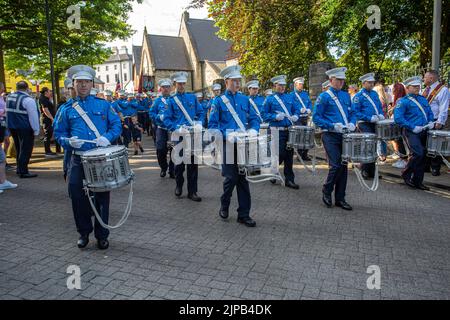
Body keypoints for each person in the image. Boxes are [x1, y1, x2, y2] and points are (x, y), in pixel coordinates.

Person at [54, 65, 121, 249]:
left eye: (86, 81)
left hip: (99, 159)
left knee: (102, 197)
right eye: (79, 82)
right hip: (77, 158)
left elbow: (116, 125)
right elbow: (58, 133)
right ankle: (83, 232)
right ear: (73, 84)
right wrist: (68, 142)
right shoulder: (66, 109)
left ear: (92, 83)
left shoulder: (104, 105)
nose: (83, 85)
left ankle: (102, 235)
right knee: (77, 196)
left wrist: (107, 138)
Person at [209, 65, 260, 227]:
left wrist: (253, 130)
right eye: (235, 81)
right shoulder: (218, 102)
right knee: (231, 178)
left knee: (243, 179)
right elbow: (212, 125)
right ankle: (225, 204)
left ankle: (243, 214)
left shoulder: (245, 99)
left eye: (239, 81)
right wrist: (226, 135)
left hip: (243, 144)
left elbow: (254, 119)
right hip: (228, 144)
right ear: (226, 81)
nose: (238, 84)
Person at [313, 67, 356, 210]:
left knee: (343, 166)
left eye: (343, 80)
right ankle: (327, 189)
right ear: (331, 80)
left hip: (344, 135)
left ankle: (340, 198)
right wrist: (331, 125)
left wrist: (352, 123)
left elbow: (352, 113)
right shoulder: (324, 97)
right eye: (338, 80)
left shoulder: (345, 96)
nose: (341, 82)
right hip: (330, 135)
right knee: (335, 165)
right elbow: (316, 118)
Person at [163, 72, 204, 202]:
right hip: (179, 135)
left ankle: (192, 192)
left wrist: (199, 123)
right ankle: (179, 185)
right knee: (179, 164)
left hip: (193, 135)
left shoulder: (192, 98)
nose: (181, 86)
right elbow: (166, 119)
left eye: (183, 83)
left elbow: (201, 112)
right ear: (175, 84)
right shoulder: (171, 101)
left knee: (193, 164)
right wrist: (176, 128)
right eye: (179, 83)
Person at [394, 76, 435, 191]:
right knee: (418, 153)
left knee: (423, 155)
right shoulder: (403, 101)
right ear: (407, 88)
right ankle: (406, 173)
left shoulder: (422, 99)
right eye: (414, 86)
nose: (417, 88)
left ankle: (418, 181)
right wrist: (412, 126)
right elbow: (398, 118)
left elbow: (429, 112)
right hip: (411, 132)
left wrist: (431, 121)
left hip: (424, 130)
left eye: (418, 86)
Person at [263, 75, 300, 189]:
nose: (282, 87)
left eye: (284, 85)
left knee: (289, 155)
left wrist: (295, 116)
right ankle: (273, 171)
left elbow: (296, 109)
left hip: (288, 130)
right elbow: (264, 115)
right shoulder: (269, 99)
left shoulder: (289, 97)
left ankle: (289, 179)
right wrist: (274, 117)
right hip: (275, 130)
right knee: (279, 153)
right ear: (275, 86)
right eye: (280, 85)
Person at [352, 72, 385, 180]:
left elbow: (379, 106)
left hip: (375, 122)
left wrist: (381, 114)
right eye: (369, 82)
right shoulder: (358, 96)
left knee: (374, 146)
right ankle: (365, 169)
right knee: (367, 146)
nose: (371, 84)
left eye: (372, 82)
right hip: (364, 123)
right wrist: (369, 117)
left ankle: (372, 170)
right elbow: (355, 112)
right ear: (363, 83)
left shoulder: (374, 94)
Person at [6, 81, 40, 178]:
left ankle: (19, 168)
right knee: (26, 149)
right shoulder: (28, 100)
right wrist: (36, 130)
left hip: (12, 126)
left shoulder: (9, 97)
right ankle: (23, 171)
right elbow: (33, 117)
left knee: (18, 148)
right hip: (25, 127)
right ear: (27, 88)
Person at [422, 70, 449, 176]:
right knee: (426, 143)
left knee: (435, 144)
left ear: (431, 78)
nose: (423, 79)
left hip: (435, 120)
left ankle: (435, 167)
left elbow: (444, 107)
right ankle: (426, 166)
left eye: (425, 77)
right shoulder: (426, 89)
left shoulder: (443, 90)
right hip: (425, 120)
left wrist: (440, 121)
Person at [149, 78, 175, 178]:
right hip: (161, 128)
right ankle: (164, 167)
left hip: (173, 129)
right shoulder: (157, 101)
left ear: (171, 88)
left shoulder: (174, 100)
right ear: (161, 88)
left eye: (167, 87)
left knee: (174, 150)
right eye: (163, 87)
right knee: (160, 150)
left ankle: (172, 170)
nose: (166, 89)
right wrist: (158, 117)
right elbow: (151, 113)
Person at [290, 76, 313, 161]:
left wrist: (309, 108)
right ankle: (299, 155)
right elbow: (292, 105)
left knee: (307, 135)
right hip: (297, 118)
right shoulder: (291, 95)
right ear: (296, 84)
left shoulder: (305, 94)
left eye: (302, 84)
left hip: (305, 117)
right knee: (300, 136)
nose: (301, 86)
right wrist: (299, 109)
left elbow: (309, 103)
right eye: (300, 84)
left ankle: (305, 154)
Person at [390, 82, 408, 169]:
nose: (392, 90)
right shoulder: (403, 98)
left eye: (393, 88)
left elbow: (397, 112)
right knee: (400, 141)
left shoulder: (399, 100)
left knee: (399, 141)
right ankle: (402, 159)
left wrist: (391, 110)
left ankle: (403, 159)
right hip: (402, 123)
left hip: (399, 123)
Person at [39, 87, 58, 157]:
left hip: (48, 119)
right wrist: (51, 118)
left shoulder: (46, 99)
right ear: (46, 92)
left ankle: (48, 150)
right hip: (47, 119)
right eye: (49, 91)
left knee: (49, 134)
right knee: (47, 134)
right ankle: (47, 151)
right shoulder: (43, 99)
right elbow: (45, 110)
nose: (50, 92)